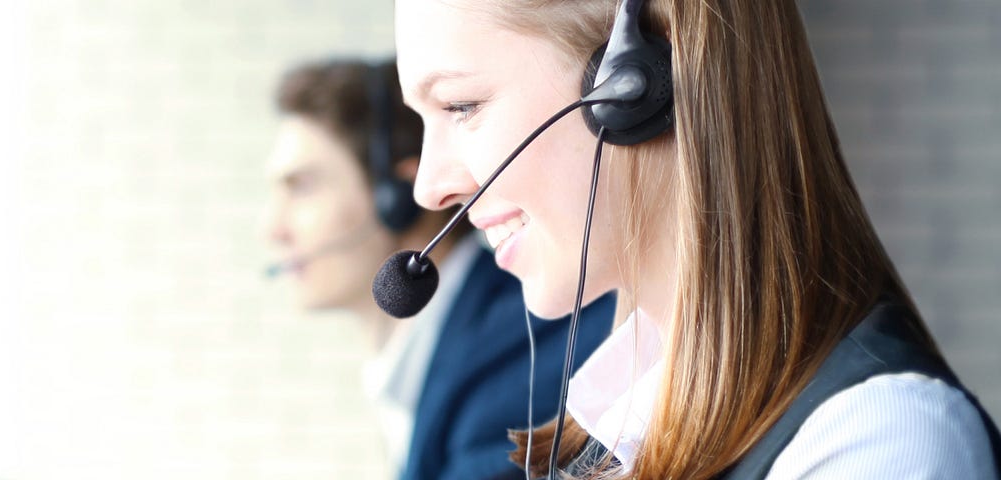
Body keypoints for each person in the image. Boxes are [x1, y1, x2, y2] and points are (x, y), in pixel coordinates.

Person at [393, 0, 1001, 478]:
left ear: (632, 81)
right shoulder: (616, 422)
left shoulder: (877, 441)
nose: (428, 188)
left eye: (461, 106)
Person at [262, 57, 615, 479]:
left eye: (301, 187)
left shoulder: (528, 347)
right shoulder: (429, 357)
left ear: (398, 196)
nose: (273, 229)